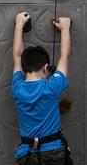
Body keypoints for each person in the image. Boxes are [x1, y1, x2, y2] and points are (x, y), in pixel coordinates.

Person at [12, 12, 72, 165]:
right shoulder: (52, 86)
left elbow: (17, 56)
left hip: (26, 154)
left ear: (24, 70)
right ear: (46, 68)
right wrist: (65, 28)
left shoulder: (17, 87)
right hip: (53, 153)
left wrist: (19, 25)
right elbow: (64, 57)